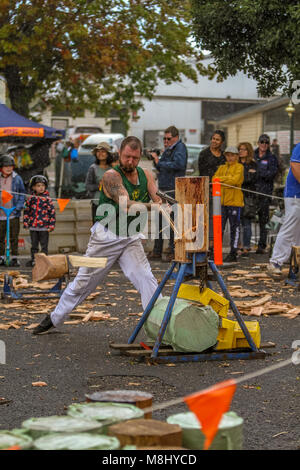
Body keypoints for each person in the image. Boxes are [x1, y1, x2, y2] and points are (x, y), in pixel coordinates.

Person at [32, 136, 163, 335]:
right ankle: (55, 318)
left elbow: (158, 197)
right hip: (106, 238)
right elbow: (125, 204)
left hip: (130, 237)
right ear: (119, 154)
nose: (130, 161)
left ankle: (161, 325)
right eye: (127, 156)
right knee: (83, 282)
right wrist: (154, 207)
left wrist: (170, 204)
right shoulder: (111, 176)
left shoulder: (146, 174)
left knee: (146, 278)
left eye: (135, 158)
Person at [148, 126, 187, 262]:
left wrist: (160, 162)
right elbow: (160, 167)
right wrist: (156, 159)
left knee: (172, 221)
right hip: (164, 188)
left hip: (173, 189)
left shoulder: (180, 148)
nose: (165, 141)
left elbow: (179, 164)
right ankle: (157, 250)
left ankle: (173, 251)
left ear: (176, 137)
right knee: (160, 219)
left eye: (168, 139)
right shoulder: (169, 150)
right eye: (164, 139)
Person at [267, 142, 300, 274]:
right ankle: (276, 261)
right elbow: (295, 165)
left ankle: (295, 262)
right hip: (295, 195)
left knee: (297, 231)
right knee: (290, 227)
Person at [213, 146, 244, 262]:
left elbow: (236, 180)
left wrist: (221, 180)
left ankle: (233, 252)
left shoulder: (239, 167)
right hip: (222, 202)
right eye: (228, 155)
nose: (230, 157)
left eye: (232, 155)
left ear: (237, 156)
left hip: (235, 202)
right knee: (219, 228)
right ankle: (217, 251)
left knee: (234, 228)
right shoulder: (221, 167)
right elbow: (214, 178)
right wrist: (226, 179)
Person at [198, 130, 226, 257]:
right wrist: (208, 186)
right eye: (213, 138)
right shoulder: (204, 154)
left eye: (217, 139)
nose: (214, 141)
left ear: (222, 142)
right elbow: (202, 171)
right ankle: (208, 244)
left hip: (220, 190)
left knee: (219, 218)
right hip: (207, 189)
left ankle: (217, 245)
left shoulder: (224, 156)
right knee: (208, 217)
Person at [23, 175, 56, 267]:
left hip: (44, 227)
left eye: (42, 185)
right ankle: (34, 260)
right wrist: (26, 222)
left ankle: (44, 261)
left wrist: (51, 225)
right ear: (33, 187)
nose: (41, 188)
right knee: (34, 245)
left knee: (44, 245)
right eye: (38, 185)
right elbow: (26, 211)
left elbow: (52, 213)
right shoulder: (30, 199)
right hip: (33, 226)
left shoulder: (48, 200)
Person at [254, 134, 278, 254]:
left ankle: (262, 245)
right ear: (258, 143)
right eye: (262, 142)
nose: (264, 144)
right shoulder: (252, 155)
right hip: (252, 192)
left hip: (265, 192)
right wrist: (259, 173)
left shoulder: (272, 158)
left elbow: (272, 173)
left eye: (266, 143)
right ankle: (244, 245)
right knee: (246, 219)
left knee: (263, 220)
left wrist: (258, 173)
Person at [0, 154, 25, 267]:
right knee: (0, 237)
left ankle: (14, 258)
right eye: (6, 166)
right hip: (1, 214)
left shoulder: (17, 178)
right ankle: (1, 257)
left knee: (14, 237)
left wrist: (18, 207)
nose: (9, 168)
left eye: (10, 166)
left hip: (13, 213)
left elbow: (22, 194)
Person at [85, 142, 113, 223]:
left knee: (110, 230)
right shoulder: (93, 168)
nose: (100, 153)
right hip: (97, 203)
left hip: (111, 203)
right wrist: (99, 186)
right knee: (98, 229)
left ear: (108, 154)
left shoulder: (113, 168)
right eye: (98, 151)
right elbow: (87, 186)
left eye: (103, 151)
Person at [238, 142, 257, 256]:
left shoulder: (253, 164)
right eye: (239, 149)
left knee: (246, 222)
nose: (241, 151)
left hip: (248, 197)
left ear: (248, 151)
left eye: (244, 149)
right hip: (236, 195)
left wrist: (242, 178)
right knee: (236, 223)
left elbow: (251, 179)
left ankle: (246, 246)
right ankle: (237, 246)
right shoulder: (236, 163)